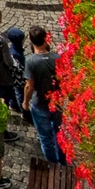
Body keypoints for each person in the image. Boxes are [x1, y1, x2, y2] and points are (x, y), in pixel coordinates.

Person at [23, 25, 62, 164]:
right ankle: (62, 161)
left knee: (45, 138)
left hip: (39, 104)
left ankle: (52, 164)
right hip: (57, 103)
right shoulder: (57, 57)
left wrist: (25, 102)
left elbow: (29, 86)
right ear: (46, 39)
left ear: (32, 42)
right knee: (58, 134)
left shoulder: (31, 61)